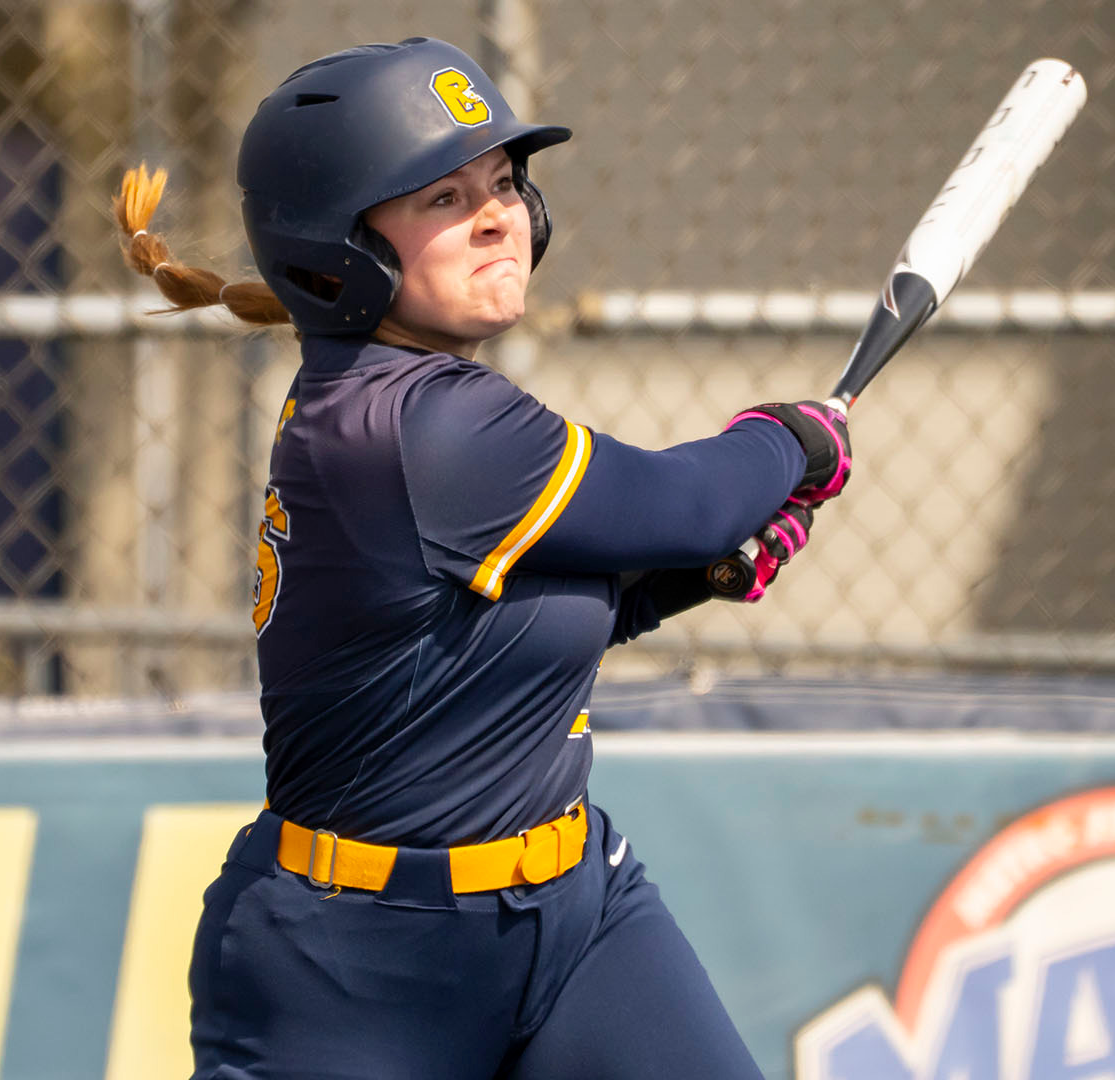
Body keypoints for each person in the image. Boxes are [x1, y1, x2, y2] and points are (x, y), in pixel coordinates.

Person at [114, 36, 851, 1080]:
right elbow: (686, 502)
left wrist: (700, 578)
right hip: (361, 964)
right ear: (341, 250)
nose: (501, 213)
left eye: (504, 183)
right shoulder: (416, 424)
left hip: (577, 913)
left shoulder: (417, 411)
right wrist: (796, 440)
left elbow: (493, 636)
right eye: (442, 199)